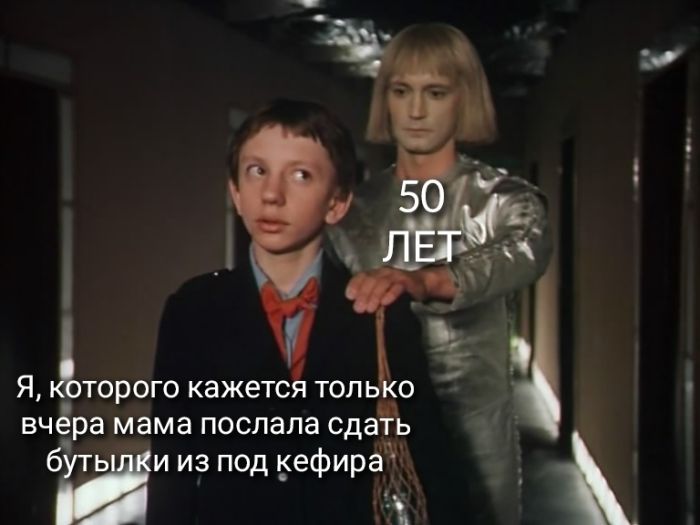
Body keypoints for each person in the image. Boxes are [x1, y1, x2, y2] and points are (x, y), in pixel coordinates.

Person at [146, 99, 467, 525]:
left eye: (300, 175)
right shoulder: (193, 309)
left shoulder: (377, 309)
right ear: (236, 192)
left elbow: (431, 460)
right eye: (257, 171)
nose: (272, 194)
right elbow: (172, 464)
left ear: (337, 202)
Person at [327, 23, 552, 525]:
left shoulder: (500, 199)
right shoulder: (353, 211)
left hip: (478, 431)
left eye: (435, 93)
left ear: (463, 98)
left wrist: (427, 281)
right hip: (381, 431)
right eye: (400, 91)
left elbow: (527, 247)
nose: (415, 110)